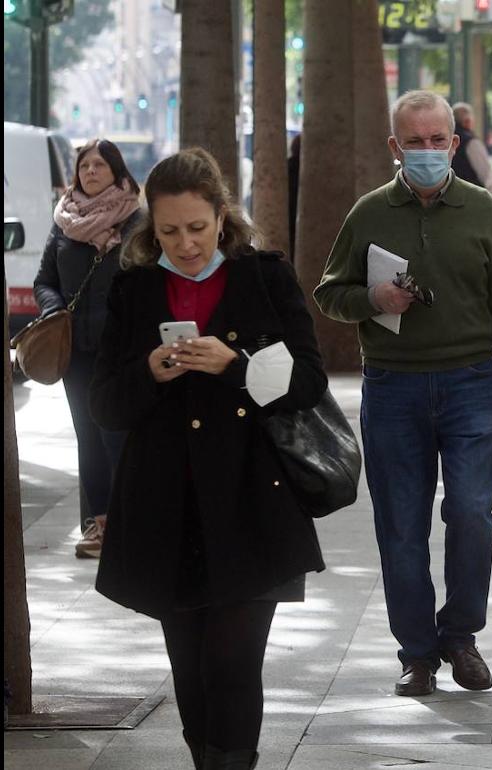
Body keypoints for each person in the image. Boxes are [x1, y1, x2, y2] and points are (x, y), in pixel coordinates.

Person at [90, 147, 328, 768]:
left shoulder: (264, 276)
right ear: (151, 227)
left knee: (234, 660)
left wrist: (236, 367)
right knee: (190, 667)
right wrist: (149, 369)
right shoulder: (134, 287)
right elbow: (106, 406)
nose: (186, 244)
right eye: (169, 231)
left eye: (197, 228)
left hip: (253, 501)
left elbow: (309, 382)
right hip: (166, 508)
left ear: (222, 216)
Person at [315, 91, 492, 700]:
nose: (428, 152)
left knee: (471, 513)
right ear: (396, 148)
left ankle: (460, 636)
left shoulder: (483, 211)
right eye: (415, 142)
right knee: (401, 528)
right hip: (392, 386)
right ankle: (417, 654)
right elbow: (328, 291)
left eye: (438, 141)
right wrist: (372, 301)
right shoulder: (368, 214)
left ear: (454, 144)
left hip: (468, 382)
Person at [33, 139, 141, 559]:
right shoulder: (64, 223)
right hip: (77, 351)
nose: (91, 171)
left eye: (100, 165)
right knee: (89, 437)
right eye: (84, 166)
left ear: (117, 171)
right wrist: (55, 309)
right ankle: (99, 526)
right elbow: (44, 280)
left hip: (122, 351)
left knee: (119, 435)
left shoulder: (136, 221)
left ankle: (129, 522)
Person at [451, 101, 492, 192]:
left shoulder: (445, 140)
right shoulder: (471, 142)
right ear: (467, 121)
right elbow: (487, 176)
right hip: (469, 197)